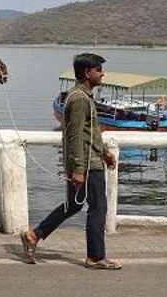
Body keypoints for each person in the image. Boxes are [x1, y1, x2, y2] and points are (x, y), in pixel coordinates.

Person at [20, 53, 121, 270]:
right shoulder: (79, 99)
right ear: (87, 73)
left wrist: (105, 152)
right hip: (87, 164)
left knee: (74, 205)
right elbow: (74, 135)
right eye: (98, 70)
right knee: (98, 208)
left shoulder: (83, 97)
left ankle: (34, 235)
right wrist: (78, 169)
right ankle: (95, 257)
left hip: (90, 159)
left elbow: (90, 132)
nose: (102, 74)